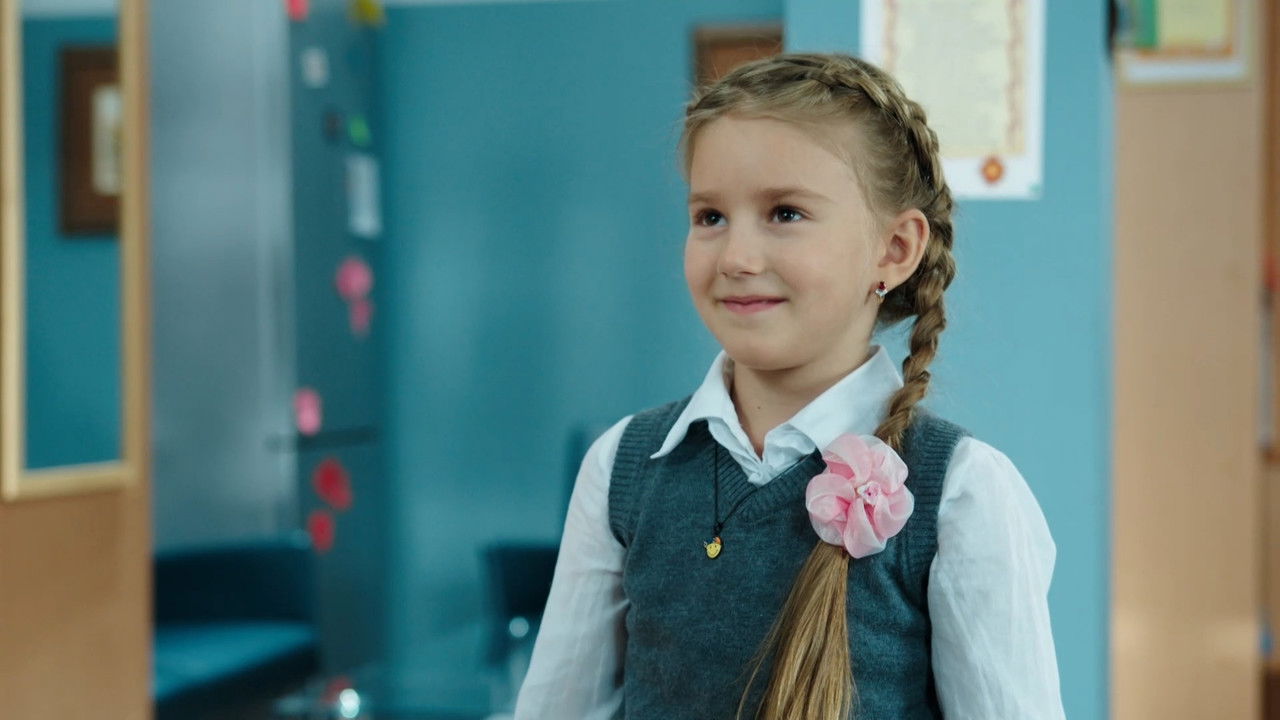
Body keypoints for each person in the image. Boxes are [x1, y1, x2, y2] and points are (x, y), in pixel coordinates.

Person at [512, 52, 1065, 720]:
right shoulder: (622, 467)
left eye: (785, 213)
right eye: (710, 217)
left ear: (894, 249)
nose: (736, 257)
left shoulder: (963, 492)